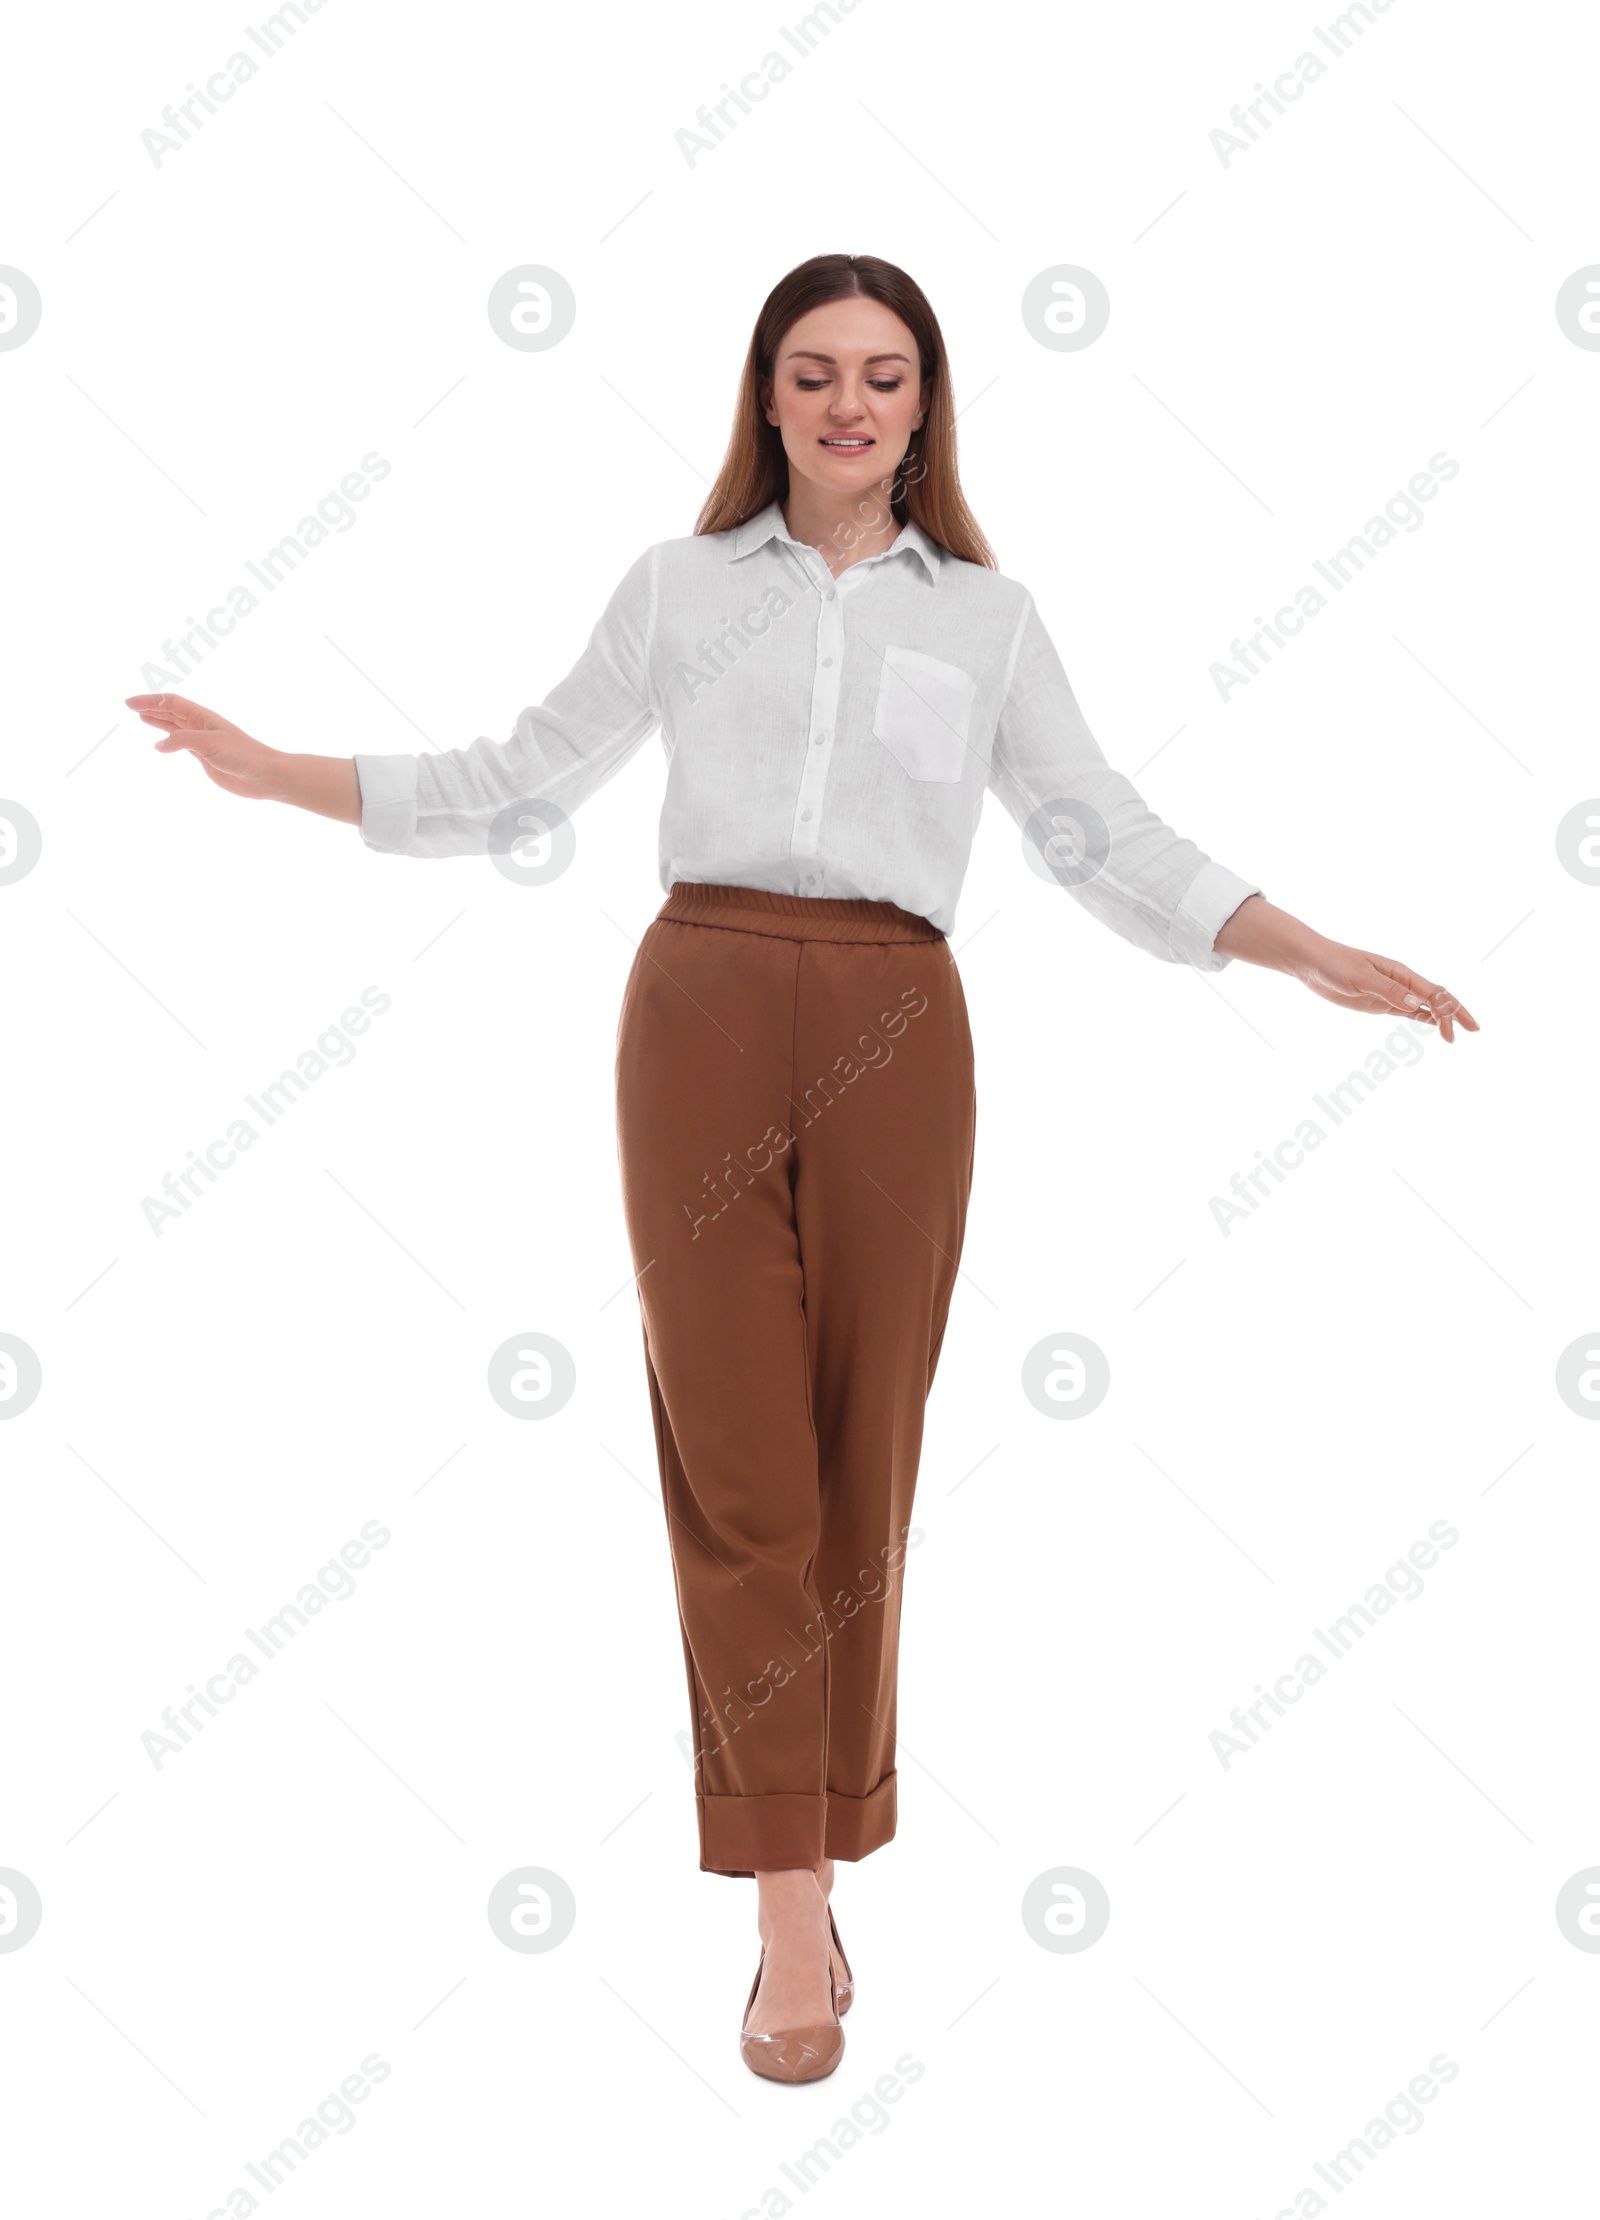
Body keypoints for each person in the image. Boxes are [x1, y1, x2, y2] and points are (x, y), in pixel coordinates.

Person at [128, 251, 1477, 2085]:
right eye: (816, 370)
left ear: (928, 409)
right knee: (739, 1473)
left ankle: (819, 1844)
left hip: (897, 1032)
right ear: (765, 397)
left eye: (890, 376)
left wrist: (1293, 943)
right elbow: (522, 778)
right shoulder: (681, 589)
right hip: (695, 1005)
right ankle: (786, 1906)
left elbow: (1100, 830)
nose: (852, 403)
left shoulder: (988, 620)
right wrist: (282, 771)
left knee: (862, 1475)